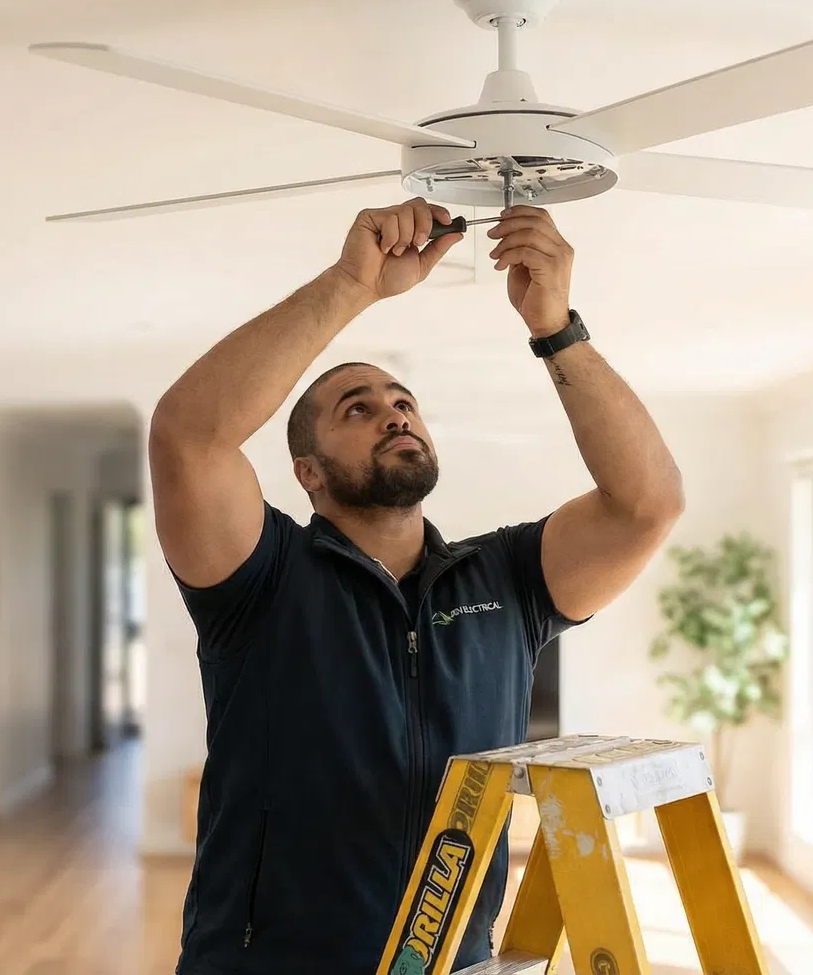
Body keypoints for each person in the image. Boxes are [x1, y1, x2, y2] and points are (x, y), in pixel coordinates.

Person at [149, 196, 684, 975]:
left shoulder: (507, 578)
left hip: (452, 961)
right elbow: (186, 436)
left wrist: (555, 327)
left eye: (403, 404)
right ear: (308, 472)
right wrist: (350, 283)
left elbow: (648, 506)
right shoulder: (260, 578)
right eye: (357, 410)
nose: (393, 416)